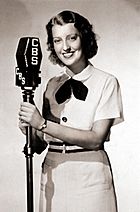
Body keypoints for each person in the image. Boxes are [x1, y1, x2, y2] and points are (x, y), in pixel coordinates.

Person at [19, 10, 124, 212]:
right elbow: (40, 144)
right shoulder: (51, 85)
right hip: (52, 178)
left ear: (83, 38)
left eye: (71, 38)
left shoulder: (106, 82)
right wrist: (29, 130)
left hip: (90, 178)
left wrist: (41, 123)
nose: (65, 47)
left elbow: (96, 139)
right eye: (57, 40)